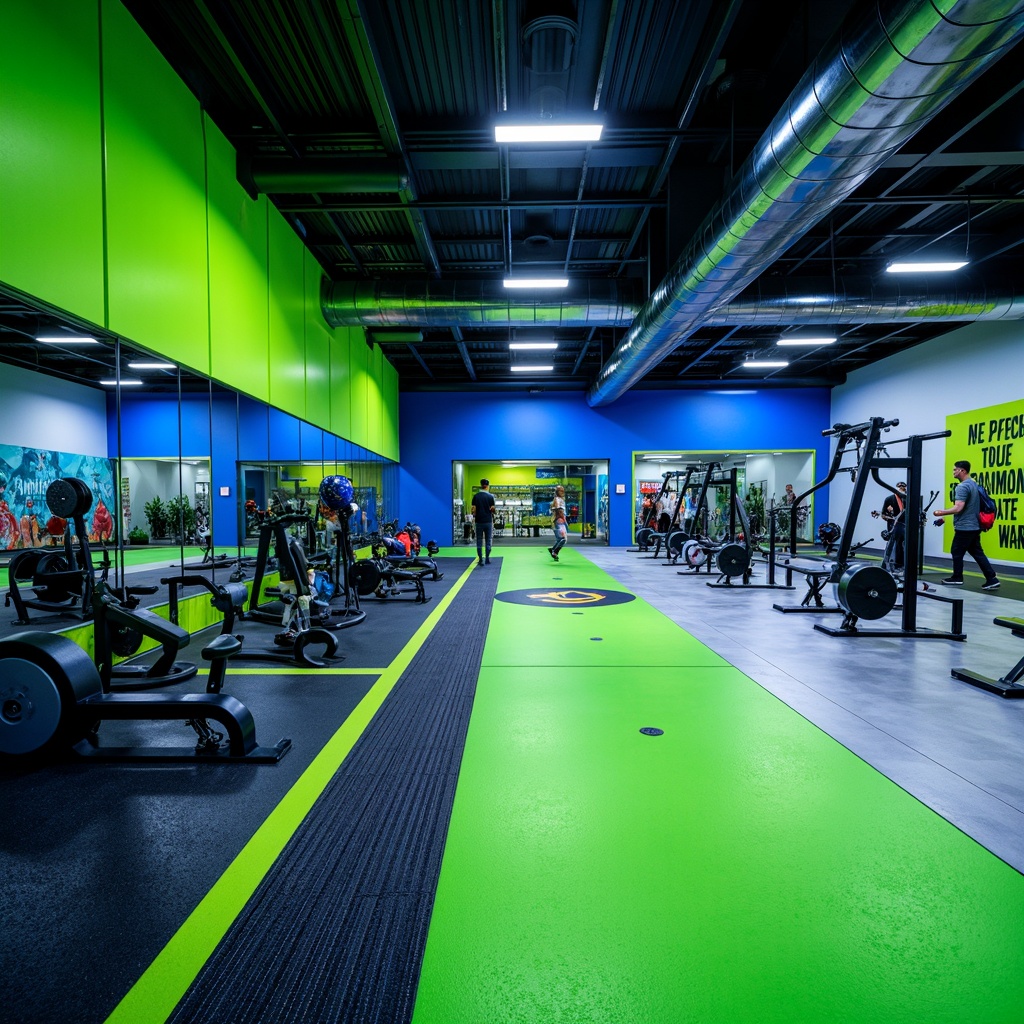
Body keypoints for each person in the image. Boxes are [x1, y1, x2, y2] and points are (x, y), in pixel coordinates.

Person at [932, 460, 999, 590]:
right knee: (977, 552)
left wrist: (941, 512)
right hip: (974, 525)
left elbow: (958, 508)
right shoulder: (974, 484)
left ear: (962, 471)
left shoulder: (962, 487)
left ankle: (957, 578)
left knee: (956, 550)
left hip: (965, 526)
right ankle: (992, 578)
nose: (953, 472)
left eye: (955, 469)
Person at [880, 481, 907, 571]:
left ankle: (903, 564)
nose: (901, 488)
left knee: (904, 545)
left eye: (902, 487)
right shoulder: (889, 499)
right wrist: (890, 517)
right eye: (899, 487)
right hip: (894, 526)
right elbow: (883, 514)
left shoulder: (909, 498)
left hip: (907, 525)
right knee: (892, 545)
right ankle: (888, 564)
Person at [471, 479, 496, 566]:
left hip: (479, 521)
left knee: (479, 540)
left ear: (481, 485)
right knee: (488, 540)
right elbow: (492, 509)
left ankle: (481, 559)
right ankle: (487, 558)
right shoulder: (490, 497)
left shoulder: (476, 496)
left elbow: (473, 510)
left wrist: (474, 516)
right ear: (487, 486)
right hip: (488, 521)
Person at [549, 485, 568, 561]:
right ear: (557, 491)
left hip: (557, 521)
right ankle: (555, 552)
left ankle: (553, 550)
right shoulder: (557, 500)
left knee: (559, 539)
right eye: (561, 490)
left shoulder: (558, 499)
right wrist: (564, 520)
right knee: (563, 539)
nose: (563, 492)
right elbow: (559, 511)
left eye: (563, 490)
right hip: (559, 521)